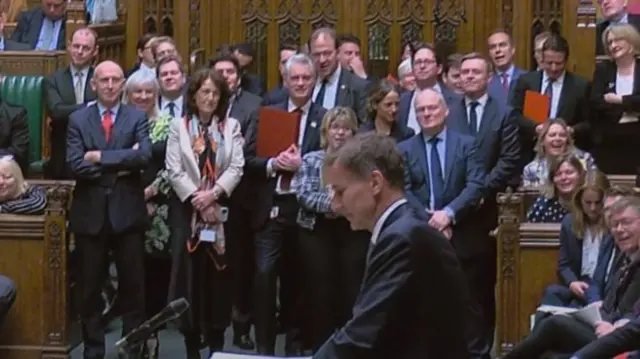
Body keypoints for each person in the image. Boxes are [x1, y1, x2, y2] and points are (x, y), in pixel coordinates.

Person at [314, 132, 470, 359]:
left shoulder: (401, 238)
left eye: (340, 191)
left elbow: (363, 333)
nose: (335, 205)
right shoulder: (402, 229)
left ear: (375, 183)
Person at [66, 60, 151, 359]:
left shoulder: (136, 116)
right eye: (105, 80)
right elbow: (76, 164)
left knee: (133, 288)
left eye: (116, 80)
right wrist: (121, 162)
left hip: (127, 214)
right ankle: (92, 350)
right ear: (94, 84)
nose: (111, 85)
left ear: (123, 83)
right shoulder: (78, 119)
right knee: (89, 289)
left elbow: (144, 158)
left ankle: (132, 348)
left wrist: (100, 157)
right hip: (90, 215)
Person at [165, 68, 244, 358]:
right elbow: (174, 169)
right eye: (205, 92)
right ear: (194, 95)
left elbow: (236, 167)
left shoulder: (230, 126)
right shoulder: (179, 126)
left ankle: (217, 343)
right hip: (188, 215)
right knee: (190, 280)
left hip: (221, 216)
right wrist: (200, 200)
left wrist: (214, 195)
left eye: (215, 93)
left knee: (218, 281)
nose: (210, 98)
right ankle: (191, 344)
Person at [292, 107, 369, 352]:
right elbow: (303, 194)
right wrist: (334, 205)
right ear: (326, 131)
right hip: (316, 231)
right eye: (335, 127)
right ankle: (320, 348)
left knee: (349, 289)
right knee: (320, 290)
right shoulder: (312, 159)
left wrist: (343, 207)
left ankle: (347, 347)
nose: (340, 133)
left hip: (350, 231)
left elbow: (366, 194)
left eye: (346, 128)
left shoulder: (360, 163)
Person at [121, 69, 173, 358]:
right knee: (130, 274)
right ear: (128, 95)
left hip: (159, 211)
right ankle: (131, 337)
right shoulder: (120, 122)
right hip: (124, 207)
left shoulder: (169, 124)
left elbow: (175, 165)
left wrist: (150, 193)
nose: (142, 96)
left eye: (148, 91)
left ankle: (150, 334)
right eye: (137, 92)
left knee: (154, 276)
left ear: (157, 94)